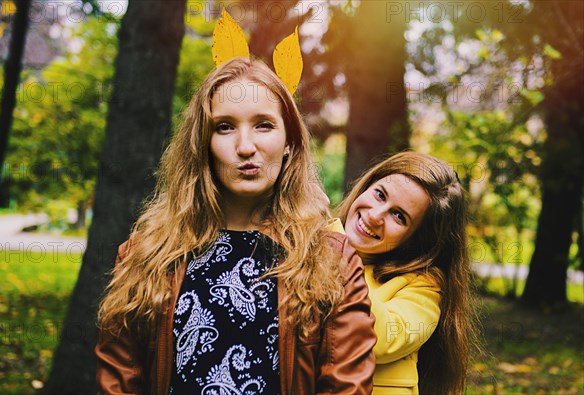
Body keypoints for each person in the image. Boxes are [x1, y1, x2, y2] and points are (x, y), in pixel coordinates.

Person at [94, 57, 376, 395]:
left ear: (289, 143)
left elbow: (347, 385)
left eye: (264, 125)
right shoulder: (147, 252)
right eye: (224, 126)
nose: (245, 147)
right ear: (203, 143)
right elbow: (120, 380)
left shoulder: (332, 260)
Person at [337, 151, 477, 395]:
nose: (374, 216)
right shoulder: (307, 246)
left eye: (399, 216)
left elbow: (375, 338)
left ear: (416, 242)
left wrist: (335, 246)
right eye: (380, 195)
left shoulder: (425, 288)